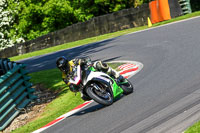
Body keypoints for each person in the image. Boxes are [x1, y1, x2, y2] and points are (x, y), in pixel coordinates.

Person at [56, 56, 124, 100]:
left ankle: (116, 75)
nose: (63, 69)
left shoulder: (73, 62)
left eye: (64, 67)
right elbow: (69, 84)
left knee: (99, 65)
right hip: (82, 83)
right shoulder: (64, 76)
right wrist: (72, 87)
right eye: (61, 68)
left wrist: (87, 62)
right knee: (83, 97)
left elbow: (84, 59)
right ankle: (99, 94)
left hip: (88, 71)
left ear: (67, 63)